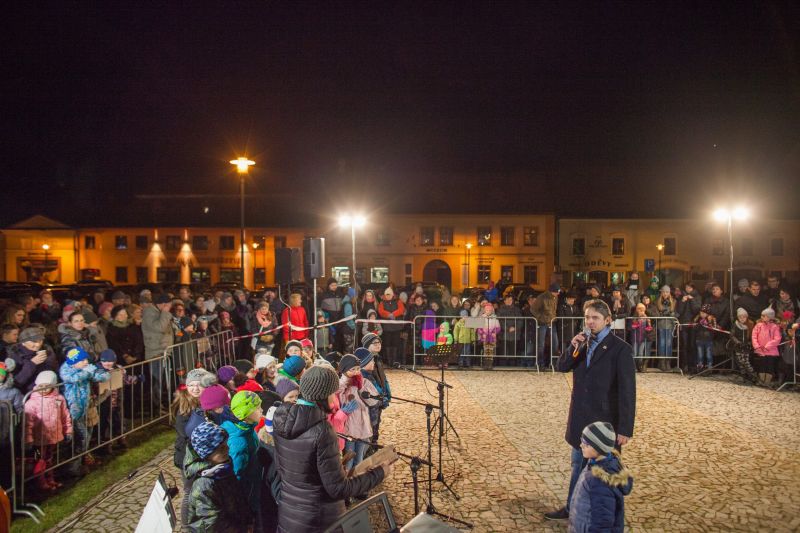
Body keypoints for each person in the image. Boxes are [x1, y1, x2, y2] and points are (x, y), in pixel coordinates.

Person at [545, 299, 635, 521]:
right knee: (578, 465)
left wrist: (625, 428)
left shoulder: (621, 349)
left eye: (595, 318)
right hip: (580, 417)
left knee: (602, 471)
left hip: (604, 421)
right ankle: (572, 507)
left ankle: (600, 513)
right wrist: (572, 347)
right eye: (587, 317)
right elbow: (562, 366)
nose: (590, 322)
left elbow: (627, 391)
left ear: (607, 320)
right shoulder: (582, 343)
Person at [272, 365, 390, 533]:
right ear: (323, 395)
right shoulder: (322, 430)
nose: (335, 400)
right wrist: (379, 473)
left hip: (289, 515)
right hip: (318, 519)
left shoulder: (281, 419)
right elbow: (338, 489)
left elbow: (296, 468)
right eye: (332, 394)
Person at [185, 422, 254, 532]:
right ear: (206, 454)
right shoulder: (204, 484)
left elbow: (238, 494)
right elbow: (213, 523)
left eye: (226, 444)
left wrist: (248, 519)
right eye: (221, 448)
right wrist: (241, 530)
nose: (227, 449)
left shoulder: (222, 467)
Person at [568, 421, 633, 533]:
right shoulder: (593, 464)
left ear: (598, 447)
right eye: (581, 440)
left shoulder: (600, 482)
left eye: (585, 443)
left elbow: (602, 523)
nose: (581, 445)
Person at [59, 347, 110, 476]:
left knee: (87, 435)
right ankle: (72, 467)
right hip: (74, 411)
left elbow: (100, 376)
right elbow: (73, 378)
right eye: (82, 360)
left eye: (86, 359)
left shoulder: (84, 369)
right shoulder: (66, 369)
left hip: (85, 407)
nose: (86, 362)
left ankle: (80, 463)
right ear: (74, 362)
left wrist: (103, 373)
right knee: (82, 438)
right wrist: (87, 372)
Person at [25, 370, 73, 491]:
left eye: (47, 386)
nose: (43, 389)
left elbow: (64, 415)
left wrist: (68, 430)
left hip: (53, 436)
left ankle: (50, 479)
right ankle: (41, 482)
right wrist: (28, 439)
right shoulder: (32, 403)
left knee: (49, 459)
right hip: (39, 439)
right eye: (41, 386)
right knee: (39, 460)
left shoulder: (58, 398)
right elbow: (27, 423)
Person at [223, 391, 264, 527]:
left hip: (254, 484)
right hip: (248, 494)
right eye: (257, 408)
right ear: (246, 413)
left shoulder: (246, 428)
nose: (261, 410)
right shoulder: (239, 442)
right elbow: (237, 476)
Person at [337, 354, 376, 470]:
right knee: (349, 459)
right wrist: (346, 381)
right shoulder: (341, 384)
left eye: (358, 369)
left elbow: (373, 401)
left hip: (362, 425)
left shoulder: (364, 382)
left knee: (359, 459)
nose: (356, 372)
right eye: (352, 369)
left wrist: (361, 387)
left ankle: (357, 478)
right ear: (344, 370)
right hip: (349, 428)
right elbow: (337, 396)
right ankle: (347, 478)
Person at [141, 294, 174, 408]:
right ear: (163, 304)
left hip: (164, 351)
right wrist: (165, 313)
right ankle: (155, 407)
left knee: (163, 380)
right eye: (169, 305)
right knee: (156, 382)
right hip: (155, 353)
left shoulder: (159, 312)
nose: (170, 307)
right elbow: (160, 328)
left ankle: (161, 404)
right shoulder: (149, 313)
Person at [7, 327, 59, 394]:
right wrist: (32, 363)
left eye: (40, 340)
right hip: (28, 393)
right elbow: (17, 382)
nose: (38, 344)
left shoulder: (47, 350)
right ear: (23, 343)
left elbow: (55, 371)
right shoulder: (15, 355)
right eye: (34, 342)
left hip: (49, 392)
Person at [532, 284, 561, 368]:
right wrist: (540, 318)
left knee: (555, 343)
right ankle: (539, 363)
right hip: (542, 324)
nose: (558, 294)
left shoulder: (555, 297)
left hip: (552, 323)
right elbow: (533, 309)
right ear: (552, 291)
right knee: (541, 344)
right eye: (557, 292)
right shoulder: (541, 297)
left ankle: (553, 363)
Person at [751, 307, 782, 386]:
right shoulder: (758, 325)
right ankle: (761, 380)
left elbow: (777, 338)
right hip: (760, 350)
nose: (762, 317)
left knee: (769, 366)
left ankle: (767, 382)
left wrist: (767, 346)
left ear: (769, 317)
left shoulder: (774, 327)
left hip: (771, 351)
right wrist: (757, 346)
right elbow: (754, 336)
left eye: (764, 316)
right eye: (761, 315)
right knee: (761, 365)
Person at [377, 286, 405, 367]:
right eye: (386, 294)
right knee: (387, 344)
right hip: (386, 327)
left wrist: (394, 314)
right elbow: (380, 311)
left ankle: (395, 361)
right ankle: (389, 362)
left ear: (392, 295)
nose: (388, 296)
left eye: (389, 294)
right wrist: (388, 314)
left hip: (396, 327)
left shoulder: (398, 301)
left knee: (396, 344)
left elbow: (401, 309)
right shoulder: (382, 302)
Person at [729, 308, 756, 381]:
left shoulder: (750, 325)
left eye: (744, 317)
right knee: (740, 361)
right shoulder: (735, 325)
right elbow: (732, 335)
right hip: (738, 346)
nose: (742, 319)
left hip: (746, 346)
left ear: (746, 317)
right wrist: (737, 342)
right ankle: (743, 374)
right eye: (740, 317)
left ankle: (752, 375)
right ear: (738, 317)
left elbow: (752, 335)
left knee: (746, 361)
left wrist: (750, 343)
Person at [655, 286, 677, 371]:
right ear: (661, 293)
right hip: (661, 324)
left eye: (667, 292)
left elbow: (675, 312)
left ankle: (668, 362)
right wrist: (662, 313)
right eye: (663, 292)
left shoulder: (673, 301)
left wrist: (671, 313)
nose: (665, 294)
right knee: (662, 343)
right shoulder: (658, 301)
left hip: (670, 325)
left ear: (669, 293)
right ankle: (662, 362)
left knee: (669, 344)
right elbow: (656, 312)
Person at [628, 303, 654, 373]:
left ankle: (639, 366)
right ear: (637, 310)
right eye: (639, 309)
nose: (641, 311)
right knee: (634, 353)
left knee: (640, 353)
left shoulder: (646, 318)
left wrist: (649, 325)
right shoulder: (633, 318)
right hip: (635, 339)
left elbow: (649, 328)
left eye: (643, 309)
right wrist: (637, 323)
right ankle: (633, 366)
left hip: (642, 339)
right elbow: (630, 327)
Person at [693, 305, 717, 372]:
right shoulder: (698, 318)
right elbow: (694, 328)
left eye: (703, 313)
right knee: (700, 355)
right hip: (699, 339)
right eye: (701, 313)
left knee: (709, 355)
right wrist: (699, 324)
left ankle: (709, 367)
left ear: (707, 313)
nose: (702, 314)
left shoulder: (712, 318)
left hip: (708, 340)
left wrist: (709, 323)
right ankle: (700, 367)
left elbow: (714, 330)